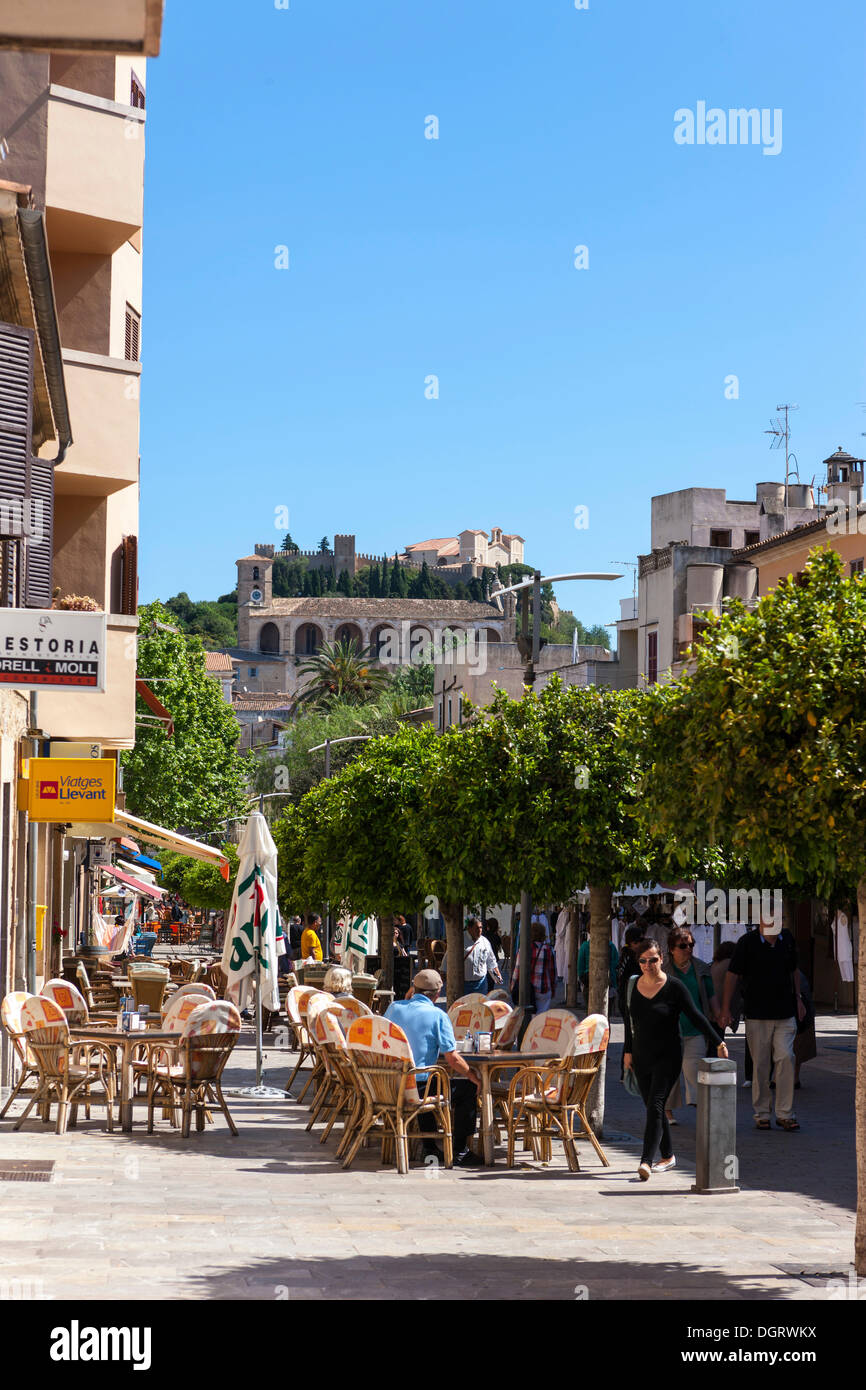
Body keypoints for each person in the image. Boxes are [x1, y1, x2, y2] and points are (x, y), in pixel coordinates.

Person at [623, 937, 727, 1180]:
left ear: (662, 959)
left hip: (668, 1055)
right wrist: (627, 1052)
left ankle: (646, 1161)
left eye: (653, 960)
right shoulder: (632, 985)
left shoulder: (674, 987)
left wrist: (718, 1041)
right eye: (643, 961)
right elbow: (630, 1023)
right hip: (641, 1056)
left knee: (658, 1104)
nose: (648, 965)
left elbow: (696, 1015)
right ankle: (668, 1156)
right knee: (652, 1107)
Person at [385, 968, 483, 1167]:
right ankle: (459, 1150)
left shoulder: (394, 1008)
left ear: (413, 989)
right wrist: (473, 1075)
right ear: (438, 994)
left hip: (388, 1085)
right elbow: (452, 1058)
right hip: (418, 1087)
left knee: (431, 1080)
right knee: (466, 1088)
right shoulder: (437, 1015)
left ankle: (430, 1147)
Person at [718, 911, 804, 1131]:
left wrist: (799, 998)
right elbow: (732, 975)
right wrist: (726, 1008)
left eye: (779, 919)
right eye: (771, 919)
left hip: (785, 1012)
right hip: (757, 1014)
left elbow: (794, 970)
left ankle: (785, 1113)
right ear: (761, 921)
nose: (776, 924)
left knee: (786, 1057)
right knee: (761, 1065)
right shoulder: (747, 942)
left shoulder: (787, 940)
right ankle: (762, 1113)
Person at [664, 926, 718, 1120]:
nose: (688, 948)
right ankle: (667, 1109)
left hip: (695, 1028)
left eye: (691, 944)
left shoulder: (701, 968)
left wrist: (719, 1013)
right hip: (670, 1030)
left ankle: (700, 1107)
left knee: (693, 1069)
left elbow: (710, 995)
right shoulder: (664, 971)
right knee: (671, 1073)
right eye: (683, 945)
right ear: (672, 949)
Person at [511, 921, 556, 1012]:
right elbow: (552, 972)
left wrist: (513, 985)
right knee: (541, 1017)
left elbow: (517, 970)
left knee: (528, 1016)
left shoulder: (523, 949)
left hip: (527, 988)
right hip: (543, 989)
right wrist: (553, 988)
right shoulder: (548, 950)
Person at [460, 917, 502, 995]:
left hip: (481, 984)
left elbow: (491, 961)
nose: (479, 930)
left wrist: (497, 976)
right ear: (469, 928)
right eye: (476, 928)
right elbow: (448, 959)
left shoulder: (485, 941)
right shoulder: (460, 940)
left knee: (480, 1006)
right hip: (464, 984)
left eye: (480, 928)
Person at [577, 934, 619, 1009]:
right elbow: (615, 964)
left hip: (589, 981)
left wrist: (583, 979)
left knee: (591, 1013)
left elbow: (580, 967)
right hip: (607, 981)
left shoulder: (585, 946)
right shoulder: (611, 946)